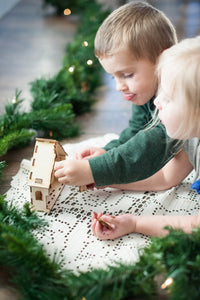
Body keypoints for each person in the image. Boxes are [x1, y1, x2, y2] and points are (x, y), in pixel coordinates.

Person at [54, 2, 190, 189]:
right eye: (113, 76)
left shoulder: (180, 98)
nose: (119, 86)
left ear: (161, 58)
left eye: (127, 75)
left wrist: (93, 170)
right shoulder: (146, 88)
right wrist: (107, 151)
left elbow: (150, 147)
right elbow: (138, 131)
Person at [91, 35, 200, 239]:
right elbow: (166, 177)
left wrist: (135, 223)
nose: (157, 103)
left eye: (167, 97)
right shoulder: (193, 134)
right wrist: (106, 178)